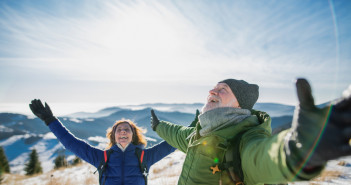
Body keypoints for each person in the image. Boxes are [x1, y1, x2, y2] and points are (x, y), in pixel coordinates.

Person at [150, 78, 351, 185]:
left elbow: (262, 155)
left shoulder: (246, 138)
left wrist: (299, 149)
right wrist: (158, 126)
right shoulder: (199, 134)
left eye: (223, 89)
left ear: (239, 106)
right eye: (213, 88)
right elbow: (176, 133)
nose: (212, 91)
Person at [29, 99, 176, 185]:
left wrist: (195, 128)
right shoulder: (102, 158)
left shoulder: (145, 156)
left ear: (133, 135)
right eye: (119, 130)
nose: (123, 131)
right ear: (113, 137)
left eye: (127, 129)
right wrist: (50, 120)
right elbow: (70, 143)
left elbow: (173, 142)